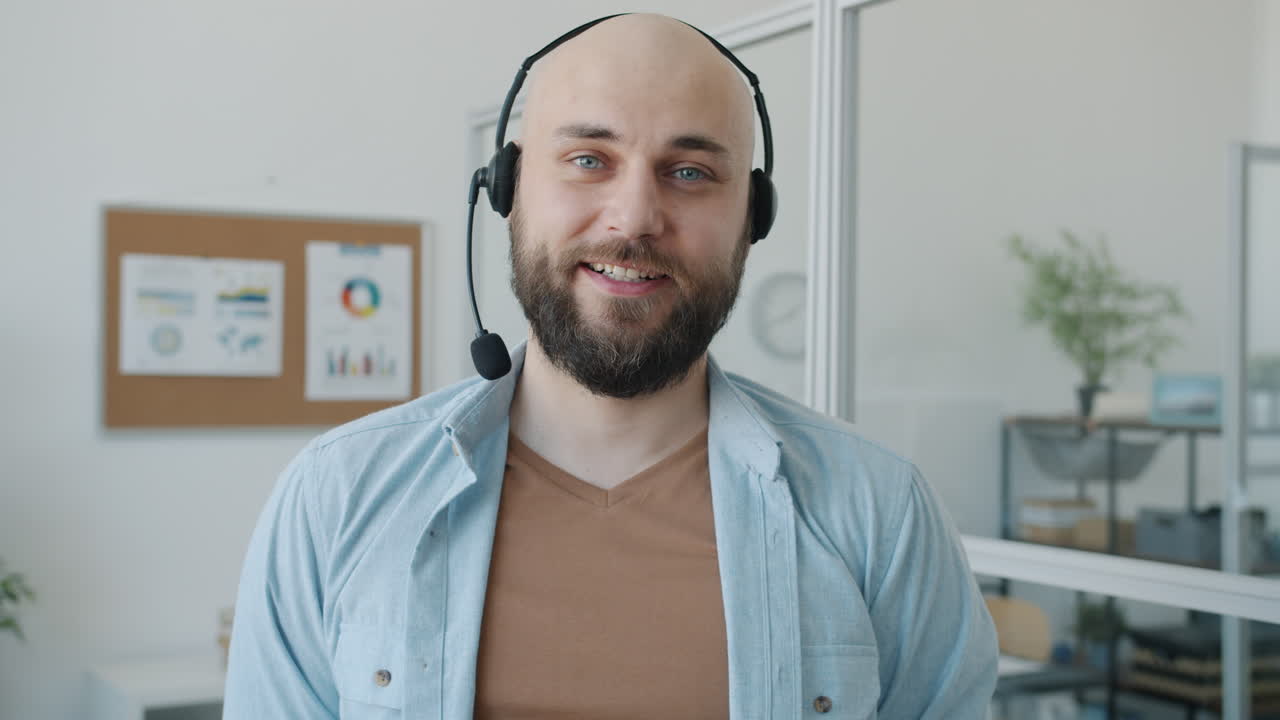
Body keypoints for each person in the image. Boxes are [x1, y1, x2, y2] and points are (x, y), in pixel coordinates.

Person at [224, 13, 997, 719]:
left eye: (689, 171)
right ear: (507, 192)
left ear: (752, 218)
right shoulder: (337, 498)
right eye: (589, 159)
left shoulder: (879, 515)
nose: (634, 219)